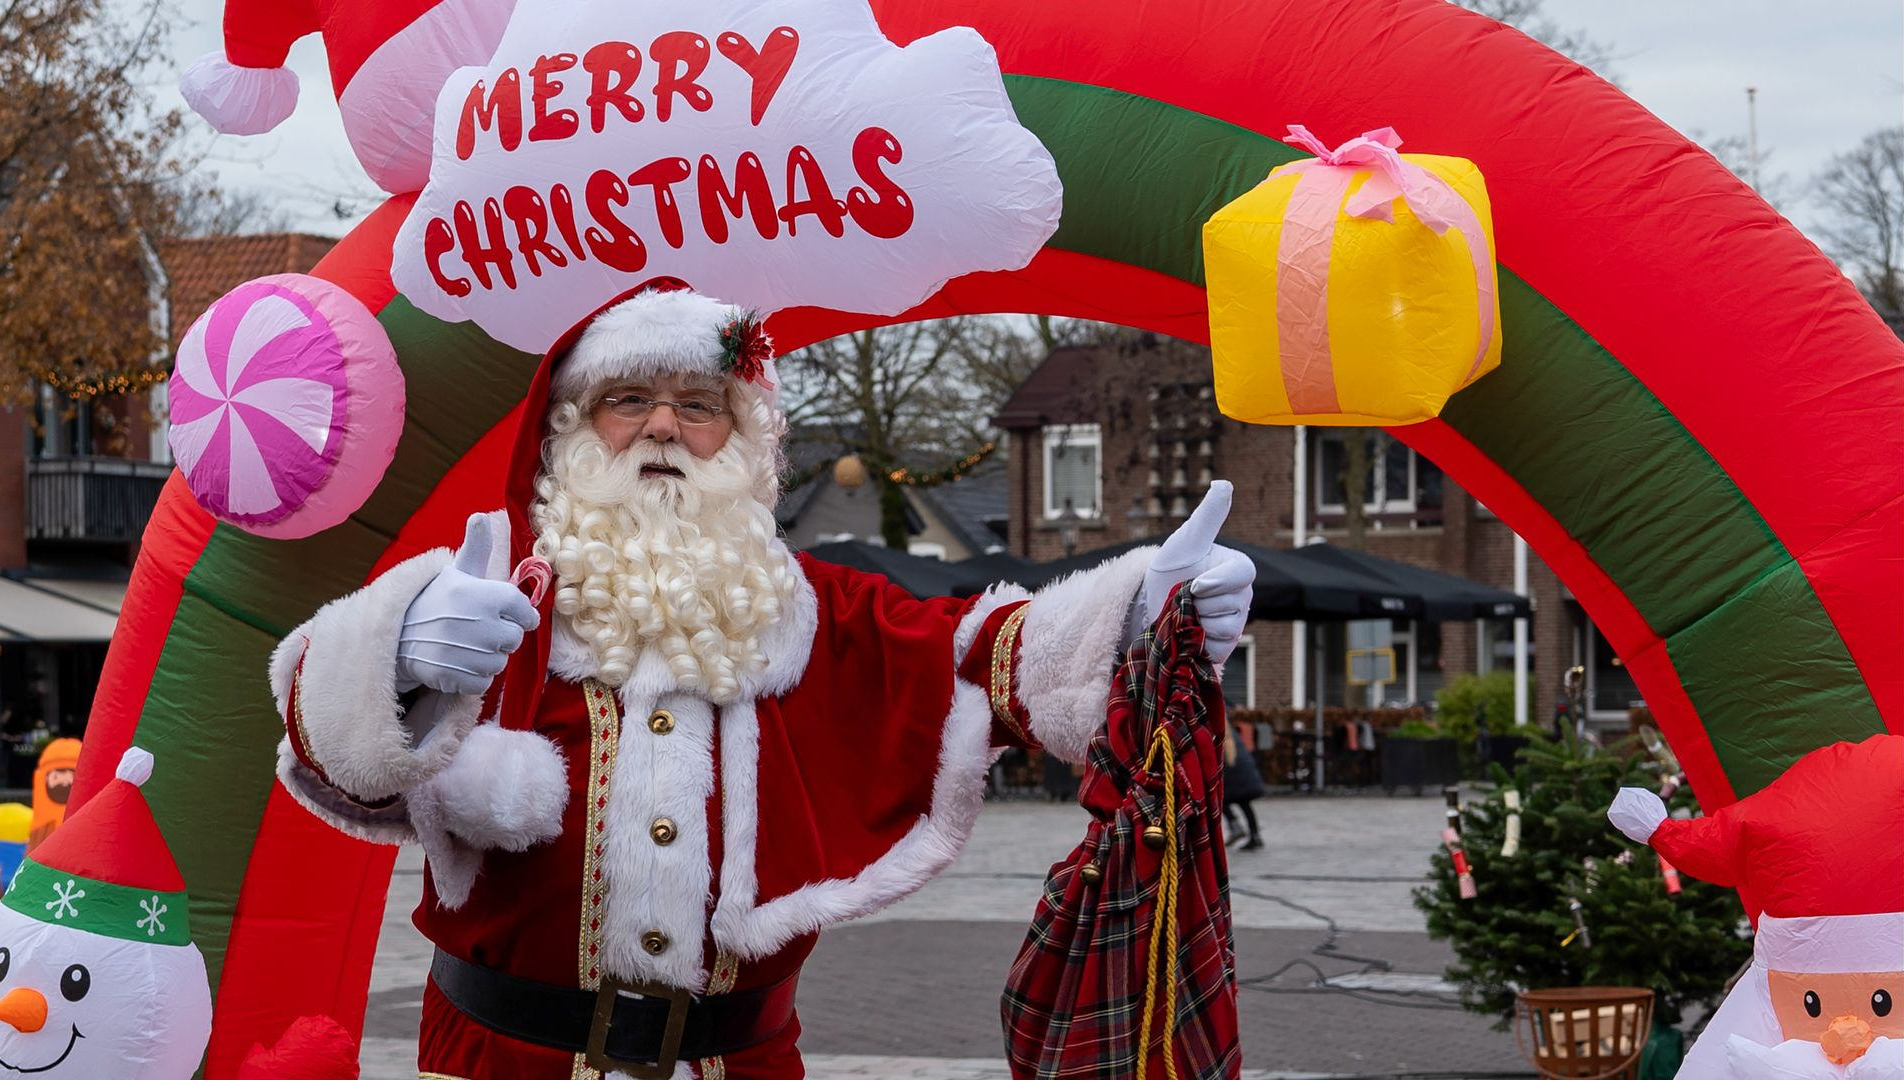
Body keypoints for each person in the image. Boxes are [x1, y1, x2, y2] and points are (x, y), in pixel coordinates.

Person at [268, 281, 1256, 1080]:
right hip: (500, 1060)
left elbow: (982, 651)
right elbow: (325, 751)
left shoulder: (813, 610)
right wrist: (397, 658)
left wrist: (1137, 616)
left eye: (699, 405)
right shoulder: (490, 602)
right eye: (628, 400)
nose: (664, 426)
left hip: (738, 1063)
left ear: (741, 441)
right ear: (574, 430)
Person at [1223, 717, 1266, 850]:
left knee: (1220, 799)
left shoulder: (1223, 729)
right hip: (1240, 768)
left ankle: (1235, 826)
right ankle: (1254, 835)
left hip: (1232, 768)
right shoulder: (1229, 730)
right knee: (1244, 802)